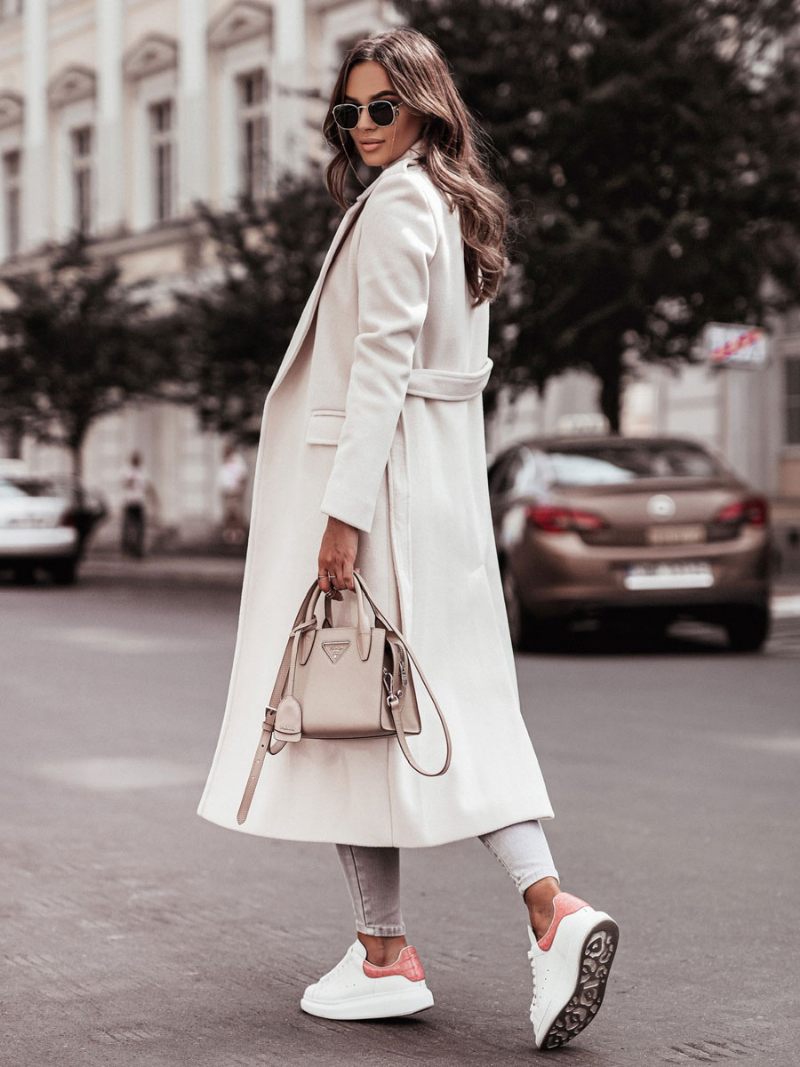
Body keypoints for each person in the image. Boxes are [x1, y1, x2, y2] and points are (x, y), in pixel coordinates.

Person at [196, 27, 619, 1051]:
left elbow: (380, 366)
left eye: (380, 106)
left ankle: (505, 922)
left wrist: (340, 518)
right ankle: (411, 945)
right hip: (432, 497)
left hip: (378, 497)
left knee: (348, 708)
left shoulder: (396, 210)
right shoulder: (447, 207)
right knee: (430, 714)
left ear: (425, 106)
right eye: (347, 111)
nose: (362, 126)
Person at [120, 451, 154, 558]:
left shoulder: (143, 471)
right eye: (135, 459)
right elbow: (125, 483)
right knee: (128, 527)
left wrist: (153, 498)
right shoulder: (126, 470)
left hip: (140, 502)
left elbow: (148, 485)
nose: (137, 461)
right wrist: (132, 478)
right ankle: (127, 549)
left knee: (140, 528)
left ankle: (138, 550)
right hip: (129, 501)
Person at [217, 442, 249, 545]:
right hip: (227, 492)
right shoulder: (225, 462)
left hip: (235, 492)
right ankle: (229, 539)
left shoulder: (238, 462)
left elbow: (243, 478)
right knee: (229, 516)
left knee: (236, 516)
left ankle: (238, 539)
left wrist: (237, 491)